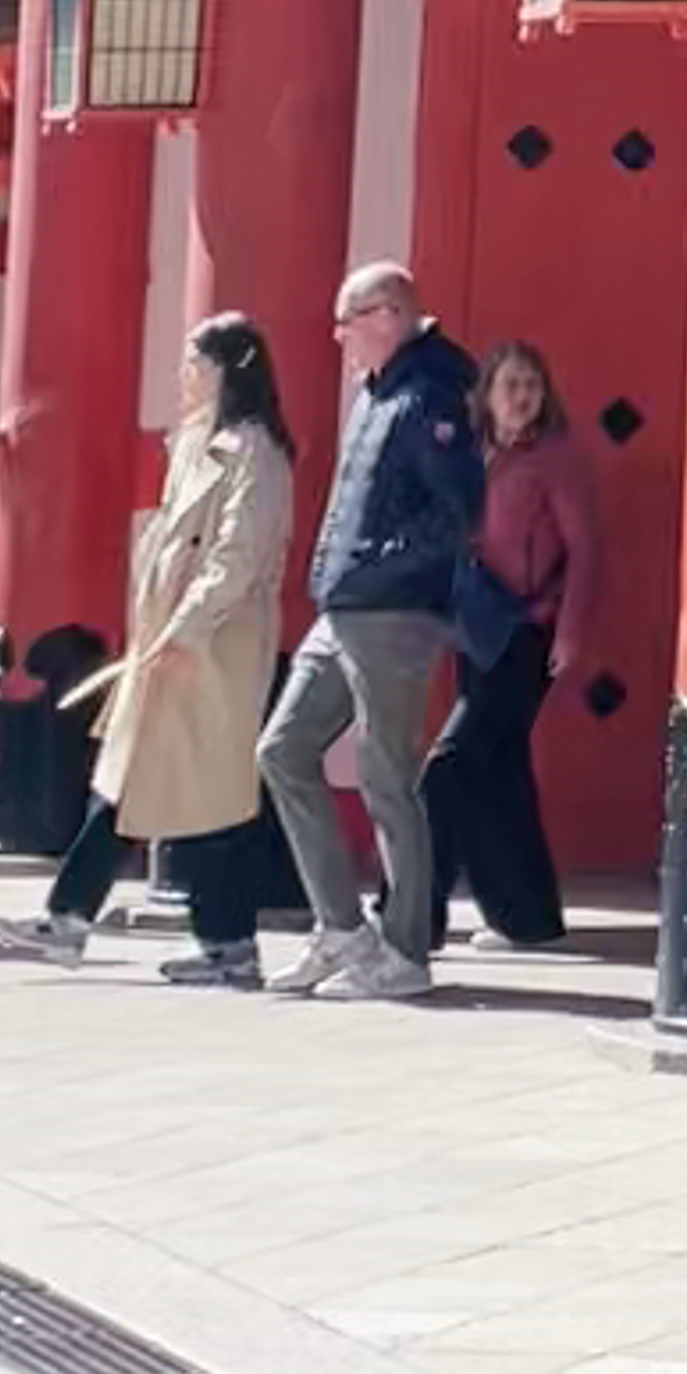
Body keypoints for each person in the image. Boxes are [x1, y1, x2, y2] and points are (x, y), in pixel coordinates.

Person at [36, 311, 298, 987]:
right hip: (169, 641)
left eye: (195, 363)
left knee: (211, 796)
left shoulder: (256, 453)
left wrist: (187, 626)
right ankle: (70, 917)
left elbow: (238, 556)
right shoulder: (192, 442)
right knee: (130, 780)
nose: (183, 376)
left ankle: (225, 942)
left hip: (215, 646)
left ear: (226, 370)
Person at [258, 261, 485, 1002]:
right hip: (345, 606)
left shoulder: (431, 397)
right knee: (284, 748)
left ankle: (406, 949)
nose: (338, 335)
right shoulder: (376, 393)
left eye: (347, 319)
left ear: (387, 313)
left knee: (387, 773)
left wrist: (377, 567)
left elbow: (456, 514)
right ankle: (342, 929)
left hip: (394, 610)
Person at [423, 339, 605, 954]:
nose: (522, 396)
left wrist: (572, 629)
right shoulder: (472, 454)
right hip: (474, 627)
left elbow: (586, 550)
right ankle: (528, 918)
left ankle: (413, 911)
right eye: (511, 385)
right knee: (501, 772)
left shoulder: (555, 458)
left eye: (532, 384)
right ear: (487, 393)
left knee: (449, 766)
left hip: (528, 631)